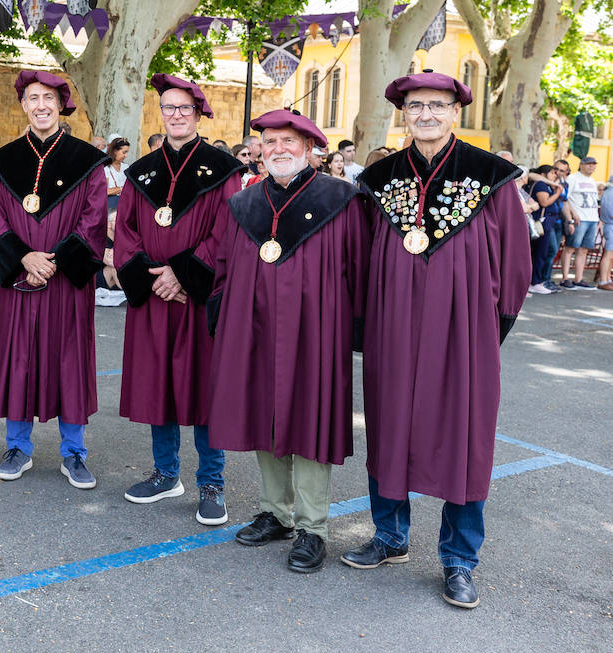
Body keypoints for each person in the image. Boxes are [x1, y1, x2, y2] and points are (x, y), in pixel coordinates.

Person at [350, 69, 529, 609]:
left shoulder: (490, 176)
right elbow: (359, 258)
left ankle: (458, 559)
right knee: (388, 428)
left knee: (463, 438)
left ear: (456, 112)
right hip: (392, 327)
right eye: (415, 106)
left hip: (464, 333)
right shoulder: (381, 179)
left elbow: (516, 263)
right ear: (403, 114)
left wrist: (487, 331)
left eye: (436, 105)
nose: (425, 114)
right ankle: (390, 535)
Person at [208, 110, 367, 573]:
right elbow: (225, 265)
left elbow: (358, 269)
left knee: (311, 421)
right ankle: (276, 513)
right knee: (266, 415)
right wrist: (225, 318)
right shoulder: (246, 203)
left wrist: (352, 332)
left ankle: (313, 527)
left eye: (287, 141)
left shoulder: (341, 198)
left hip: (317, 332)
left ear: (311, 147)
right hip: (256, 329)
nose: (277, 148)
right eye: (269, 140)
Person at [113, 73, 242, 524]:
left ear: (199, 112)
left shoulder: (223, 170)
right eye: (168, 108)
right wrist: (153, 278)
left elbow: (225, 234)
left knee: (204, 390)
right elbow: (124, 230)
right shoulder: (141, 171)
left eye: (184, 108)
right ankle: (166, 474)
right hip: (153, 298)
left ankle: (212, 481)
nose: (176, 115)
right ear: (160, 112)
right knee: (158, 386)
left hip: (195, 300)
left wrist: (183, 276)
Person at [0, 70, 108, 488]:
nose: (40, 105)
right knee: (19, 359)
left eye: (47, 98)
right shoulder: (4, 161)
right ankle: (17, 446)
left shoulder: (87, 161)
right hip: (21, 280)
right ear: (23, 105)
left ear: (61, 104)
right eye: (32, 97)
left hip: (65, 283)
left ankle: (74, 452)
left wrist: (52, 261)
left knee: (69, 361)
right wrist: (24, 258)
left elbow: (93, 221)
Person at [562, 156, 600, 288]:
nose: (592, 166)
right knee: (570, 248)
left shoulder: (592, 181)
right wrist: (572, 215)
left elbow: (594, 201)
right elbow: (564, 198)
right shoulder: (572, 178)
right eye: (589, 164)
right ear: (581, 165)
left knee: (583, 250)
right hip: (579, 219)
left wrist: (598, 219)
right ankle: (565, 278)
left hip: (592, 219)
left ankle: (578, 279)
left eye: (594, 164)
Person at [526, 165, 563, 295]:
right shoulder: (541, 184)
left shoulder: (545, 184)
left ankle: (538, 280)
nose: (555, 175)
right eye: (553, 173)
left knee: (544, 251)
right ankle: (535, 282)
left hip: (547, 222)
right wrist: (557, 193)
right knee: (540, 252)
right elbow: (545, 202)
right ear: (544, 173)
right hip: (542, 223)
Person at [104, 136, 130, 211]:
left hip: (125, 204)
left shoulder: (125, 167)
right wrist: (122, 188)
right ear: (115, 151)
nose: (126, 156)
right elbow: (104, 191)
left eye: (127, 152)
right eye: (124, 152)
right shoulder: (105, 168)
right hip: (111, 206)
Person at [598, 180, 613, 291]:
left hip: (610, 225)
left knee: (610, 255)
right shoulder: (610, 193)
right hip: (610, 225)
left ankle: (607, 279)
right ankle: (603, 280)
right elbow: (611, 213)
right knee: (608, 254)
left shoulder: (609, 192)